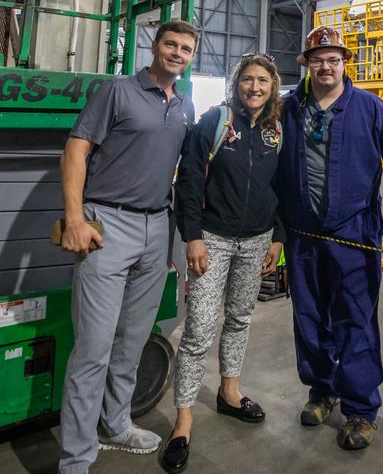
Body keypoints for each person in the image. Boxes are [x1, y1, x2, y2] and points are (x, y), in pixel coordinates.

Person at [57, 20, 198, 474]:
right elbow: (76, 150)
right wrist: (76, 219)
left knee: (133, 338)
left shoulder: (185, 107)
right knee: (93, 348)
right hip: (107, 224)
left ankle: (115, 424)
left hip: (158, 228)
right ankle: (76, 458)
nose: (178, 53)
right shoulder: (117, 91)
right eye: (171, 44)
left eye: (186, 48)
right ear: (154, 47)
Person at [274, 25, 383, 451]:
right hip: (303, 234)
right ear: (307, 65)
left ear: (345, 62)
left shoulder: (370, 107)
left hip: (353, 234)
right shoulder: (289, 108)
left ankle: (361, 409)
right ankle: (322, 390)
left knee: (356, 321)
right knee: (310, 318)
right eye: (318, 59)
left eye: (333, 59)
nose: (326, 66)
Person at [160, 53, 287, 472]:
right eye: (248, 80)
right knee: (198, 329)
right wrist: (192, 236)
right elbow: (190, 179)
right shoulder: (215, 124)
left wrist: (278, 238)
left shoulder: (275, 131)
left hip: (257, 241)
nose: (255, 87)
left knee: (239, 319)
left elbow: (282, 187)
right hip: (212, 238)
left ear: (272, 87)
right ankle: (183, 421)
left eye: (263, 81)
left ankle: (229, 393)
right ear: (237, 83)